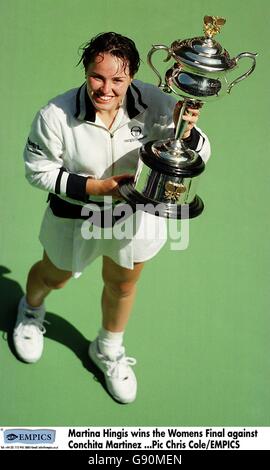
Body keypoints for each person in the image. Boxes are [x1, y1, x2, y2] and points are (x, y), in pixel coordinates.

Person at [13, 32, 210, 404]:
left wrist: (187, 131)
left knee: (122, 285)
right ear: (86, 71)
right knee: (53, 277)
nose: (106, 88)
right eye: (97, 77)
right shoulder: (55, 115)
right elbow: (37, 170)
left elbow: (197, 152)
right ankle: (30, 309)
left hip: (136, 218)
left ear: (132, 76)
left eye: (117, 79)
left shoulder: (158, 104)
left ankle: (107, 348)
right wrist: (97, 187)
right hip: (75, 216)